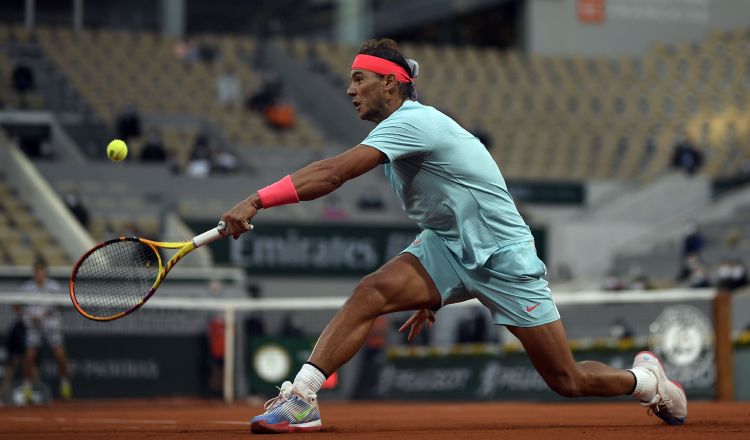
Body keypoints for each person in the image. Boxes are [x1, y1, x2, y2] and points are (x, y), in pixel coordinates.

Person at [221, 38, 687, 434]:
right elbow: (444, 206)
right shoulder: (397, 129)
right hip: (446, 247)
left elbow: (332, 174)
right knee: (372, 291)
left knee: (567, 380)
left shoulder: (412, 122)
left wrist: (257, 200)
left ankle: (645, 381)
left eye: (360, 78)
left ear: (391, 83)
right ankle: (302, 397)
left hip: (504, 256)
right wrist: (431, 292)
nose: (349, 89)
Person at [20, 260, 72, 402]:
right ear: (34, 273)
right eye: (37, 272)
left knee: (60, 356)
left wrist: (49, 313)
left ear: (45, 273)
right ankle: (27, 387)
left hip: (51, 326)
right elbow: (17, 306)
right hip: (34, 327)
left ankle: (65, 384)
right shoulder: (26, 288)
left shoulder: (54, 287)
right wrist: (30, 317)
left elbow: (62, 306)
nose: (39, 275)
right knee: (29, 357)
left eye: (41, 272)